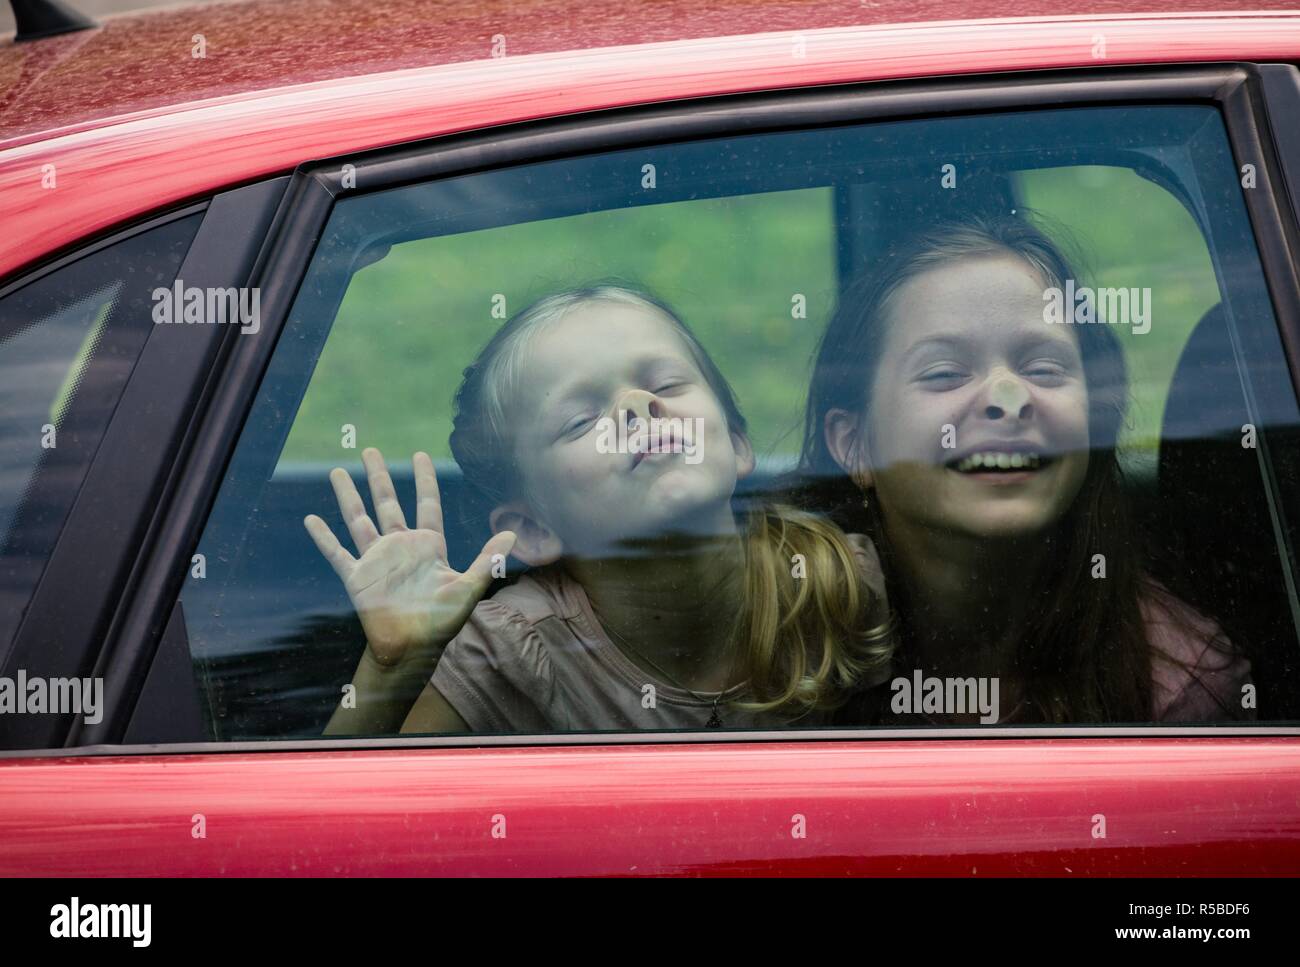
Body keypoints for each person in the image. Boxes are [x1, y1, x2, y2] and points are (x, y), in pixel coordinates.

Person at [308, 283, 893, 735]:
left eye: (665, 384)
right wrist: (390, 674)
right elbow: (327, 840)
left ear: (738, 443)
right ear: (532, 529)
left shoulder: (839, 580)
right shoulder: (512, 654)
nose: (640, 407)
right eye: (581, 420)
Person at [798, 213, 1253, 725]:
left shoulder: (1181, 683)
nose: (1008, 398)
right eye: (945, 373)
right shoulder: (774, 643)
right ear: (854, 443)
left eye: (1042, 369)